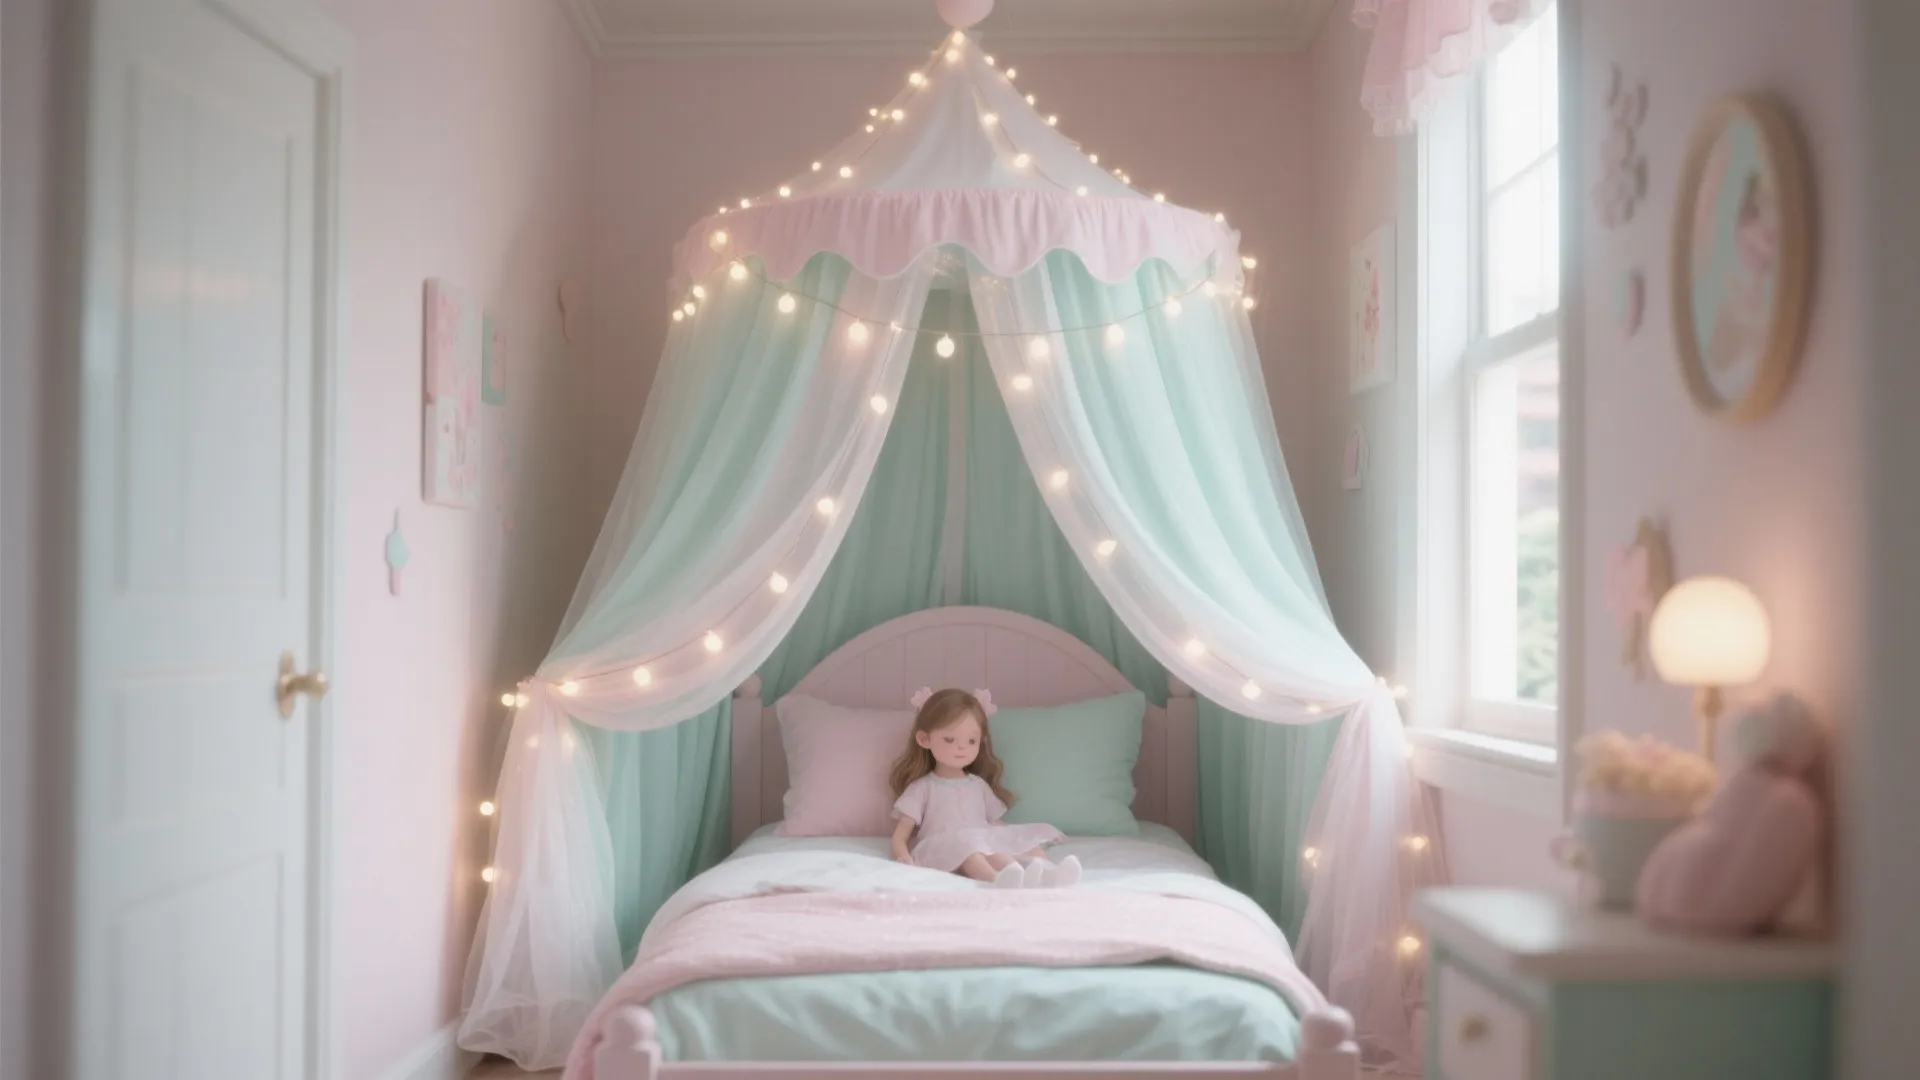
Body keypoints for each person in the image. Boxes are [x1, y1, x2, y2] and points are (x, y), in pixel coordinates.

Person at [888, 687, 1080, 888]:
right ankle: (998, 881)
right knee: (971, 852)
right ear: (925, 740)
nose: (962, 747)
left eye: (972, 741)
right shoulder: (922, 788)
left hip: (978, 839)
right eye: (950, 739)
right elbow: (900, 835)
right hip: (942, 847)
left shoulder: (977, 785)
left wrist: (1014, 840)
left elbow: (994, 824)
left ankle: (1047, 875)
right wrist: (903, 857)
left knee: (999, 849)